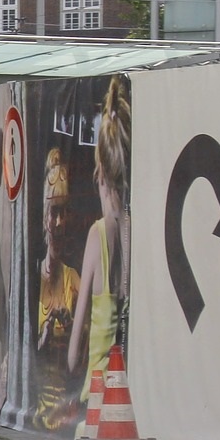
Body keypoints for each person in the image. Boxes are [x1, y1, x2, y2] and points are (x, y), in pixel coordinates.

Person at [68, 77, 130, 397]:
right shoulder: (135, 229)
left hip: (96, 396)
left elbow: (73, 352)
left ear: (100, 176)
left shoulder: (98, 234)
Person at [33, 148, 82, 431]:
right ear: (43, 218)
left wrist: (73, 327)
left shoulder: (74, 280)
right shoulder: (31, 281)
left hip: (68, 415)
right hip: (37, 410)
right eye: (54, 212)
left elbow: (83, 362)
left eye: (65, 212)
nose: (60, 223)